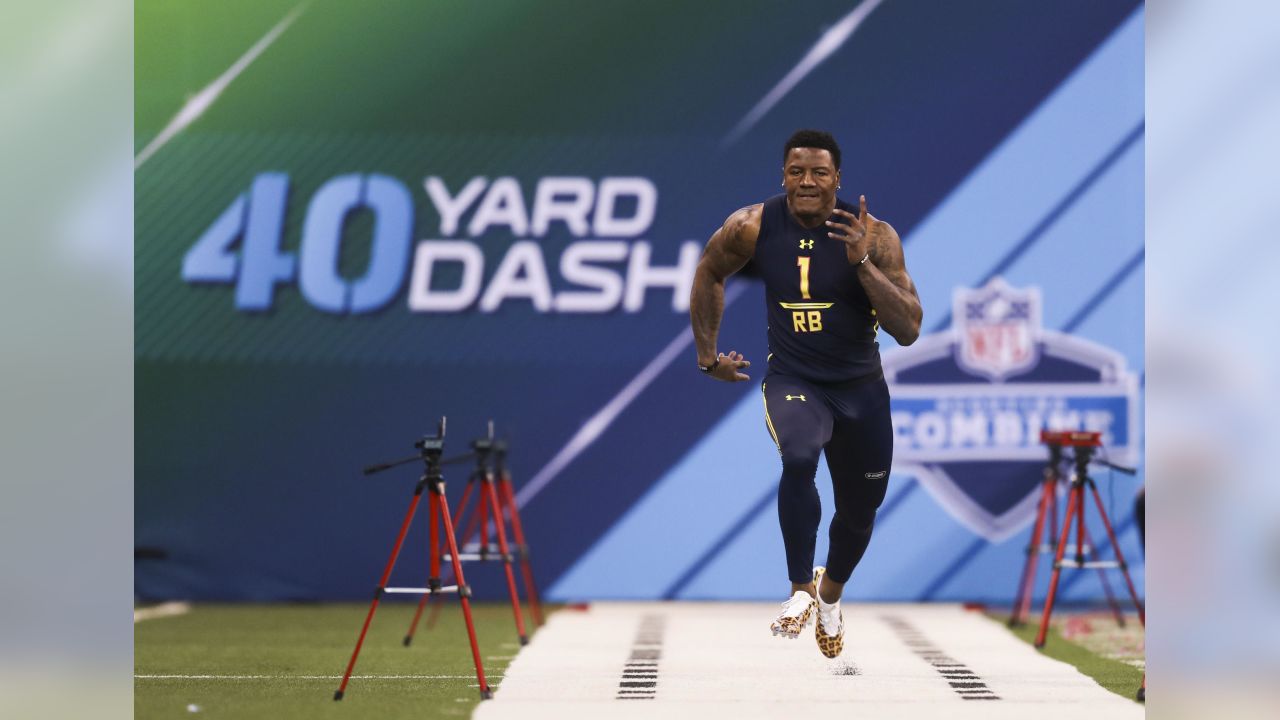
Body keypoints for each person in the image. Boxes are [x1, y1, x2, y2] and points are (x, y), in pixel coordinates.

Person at [689, 129, 922, 658]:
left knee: (859, 513)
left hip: (861, 389)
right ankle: (799, 588)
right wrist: (708, 358)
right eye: (797, 172)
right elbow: (708, 271)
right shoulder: (751, 226)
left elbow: (908, 328)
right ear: (783, 176)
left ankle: (830, 595)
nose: (808, 182)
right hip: (795, 381)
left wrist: (861, 262)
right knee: (798, 456)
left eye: (819, 173)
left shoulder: (875, 235)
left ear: (838, 179)